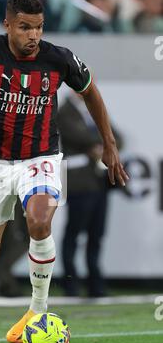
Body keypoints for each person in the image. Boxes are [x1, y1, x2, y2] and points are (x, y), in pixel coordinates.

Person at [0, 0, 129, 343]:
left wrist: (108, 143)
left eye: (39, 28)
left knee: (39, 222)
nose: (33, 36)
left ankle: (37, 314)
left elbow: (91, 93)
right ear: (7, 24)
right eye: (25, 27)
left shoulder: (58, 59)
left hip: (41, 157)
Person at [56, 91, 123, 297]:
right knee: (74, 233)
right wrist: (105, 144)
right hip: (78, 182)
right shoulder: (65, 111)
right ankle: (70, 282)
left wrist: (105, 146)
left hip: (99, 181)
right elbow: (78, 136)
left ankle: (96, 283)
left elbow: (117, 137)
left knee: (96, 233)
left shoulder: (94, 108)